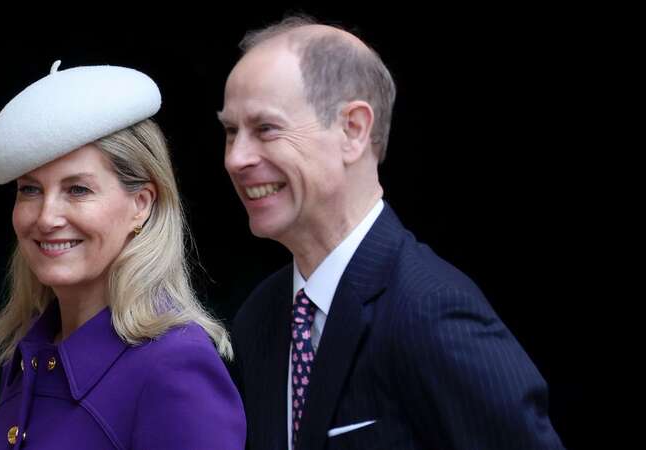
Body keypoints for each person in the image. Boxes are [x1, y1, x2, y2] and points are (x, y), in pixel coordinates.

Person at [219, 16, 564, 450]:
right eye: (231, 132)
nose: (236, 158)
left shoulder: (431, 311)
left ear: (353, 130)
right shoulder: (262, 317)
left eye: (265, 128)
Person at [0, 61, 246, 449]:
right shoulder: (29, 356)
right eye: (30, 190)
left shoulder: (174, 367)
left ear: (141, 204)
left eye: (78, 190)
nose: (47, 217)